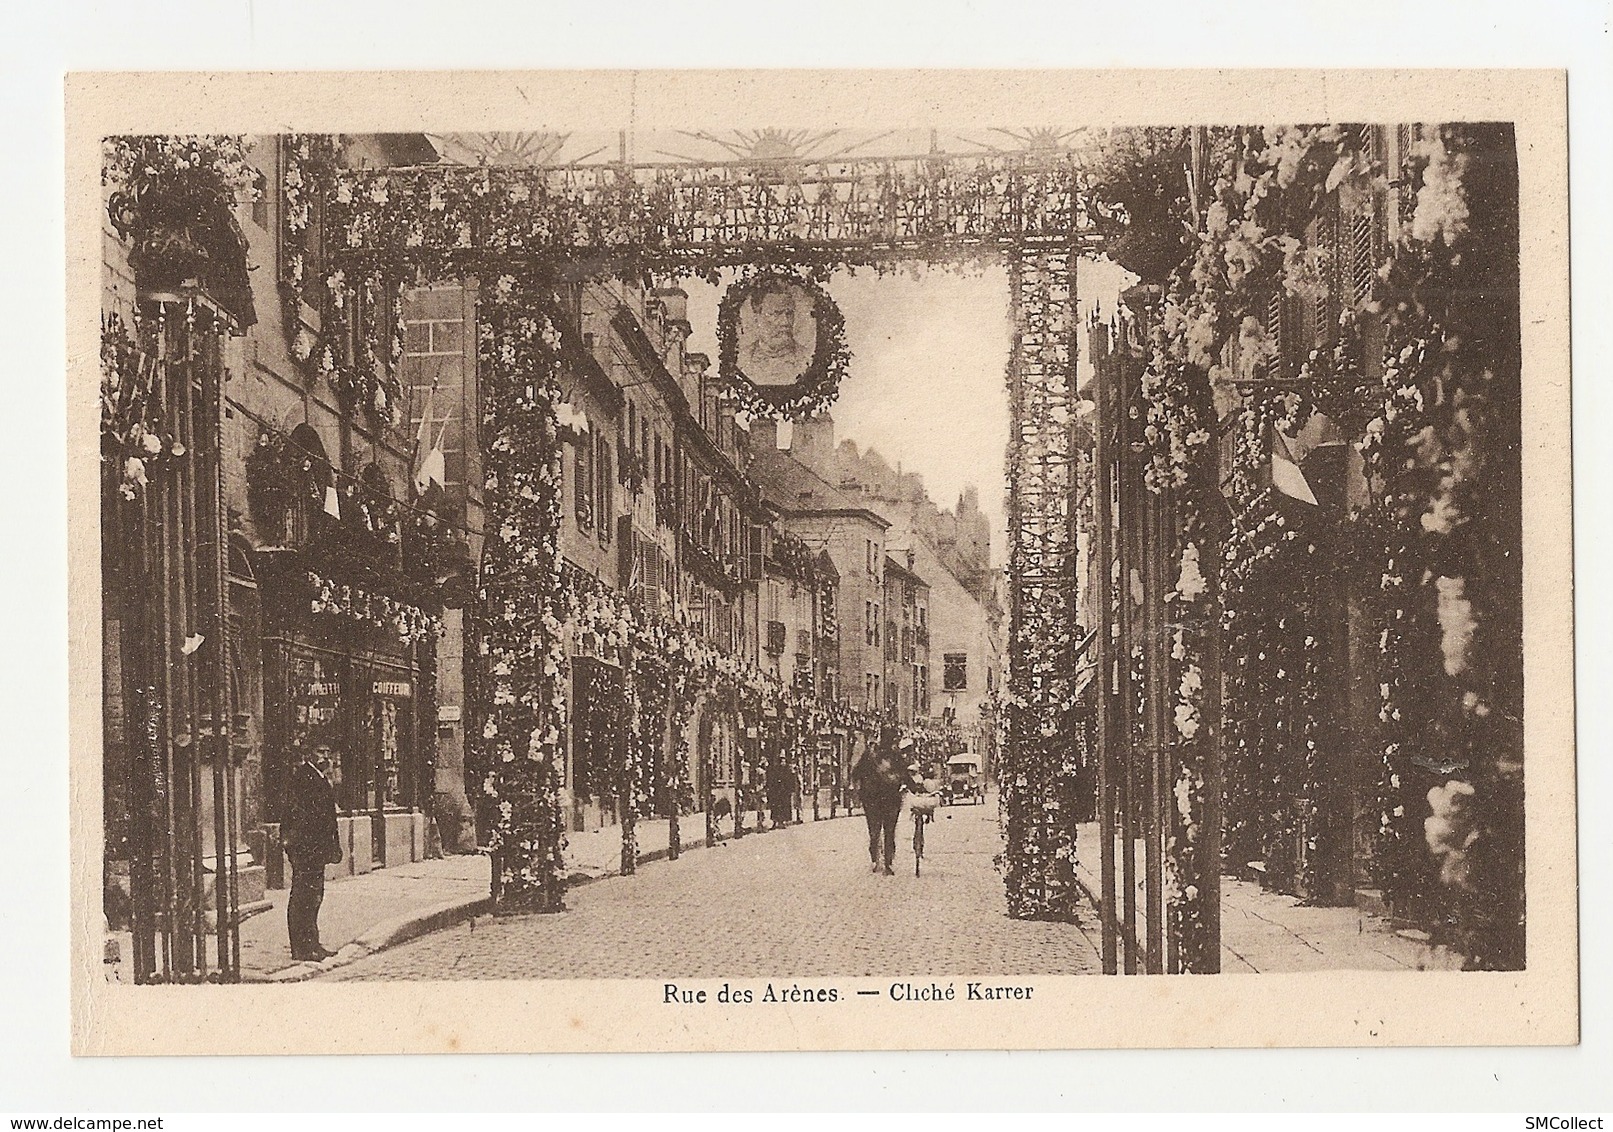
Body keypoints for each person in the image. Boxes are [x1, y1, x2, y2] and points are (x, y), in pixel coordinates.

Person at [285, 744, 344, 961]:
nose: (325, 757)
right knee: (304, 898)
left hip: (315, 850)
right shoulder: (304, 777)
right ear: (310, 754)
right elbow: (297, 817)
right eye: (320, 752)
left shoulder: (318, 777)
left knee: (313, 898)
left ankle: (312, 944)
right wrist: (299, 849)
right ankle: (302, 948)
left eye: (328, 752)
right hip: (307, 851)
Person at [852, 727, 908, 875]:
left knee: (874, 831)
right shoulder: (896, 755)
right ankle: (888, 863)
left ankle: (875, 860)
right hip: (891, 799)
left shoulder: (870, 754)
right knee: (889, 831)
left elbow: (856, 772)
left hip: (872, 800)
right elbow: (905, 775)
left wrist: (860, 787)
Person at [739, 278, 813, 388]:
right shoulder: (741, 360)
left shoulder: (808, 359)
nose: (785, 322)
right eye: (776, 314)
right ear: (757, 319)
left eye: (789, 313)